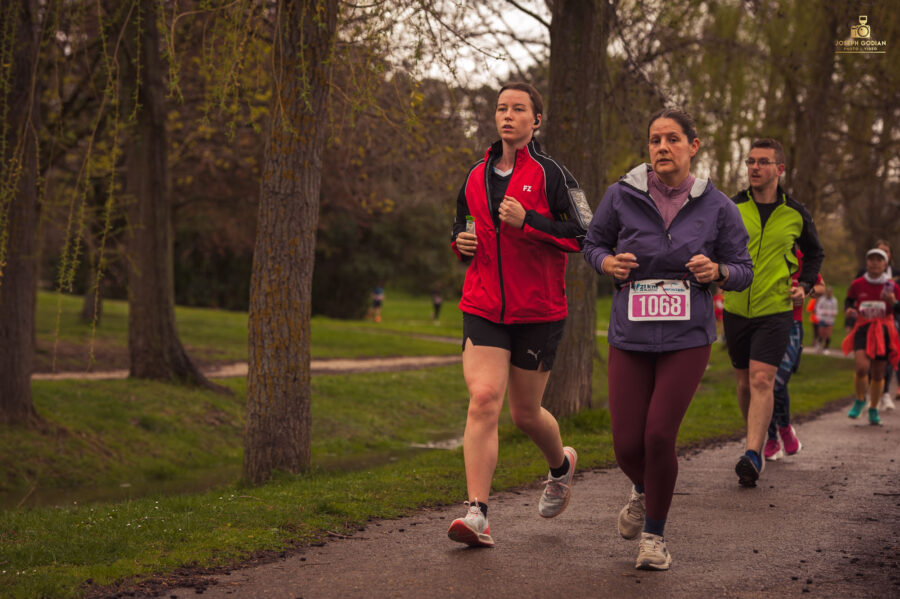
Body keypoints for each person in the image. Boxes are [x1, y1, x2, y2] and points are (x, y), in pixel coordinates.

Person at [583, 108, 753, 570]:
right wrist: (607, 264)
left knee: (659, 436)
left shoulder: (719, 206)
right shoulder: (620, 195)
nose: (662, 147)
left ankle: (654, 536)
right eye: (655, 139)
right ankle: (643, 488)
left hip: (687, 336)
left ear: (693, 146)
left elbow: (743, 270)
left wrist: (718, 270)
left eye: (673, 139)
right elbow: (592, 243)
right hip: (630, 333)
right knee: (625, 445)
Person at [446, 82, 590, 548]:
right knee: (484, 398)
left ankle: (560, 465)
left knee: (526, 414)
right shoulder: (474, 174)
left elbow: (585, 234)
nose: (508, 115)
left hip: (538, 311)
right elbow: (462, 225)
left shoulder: (554, 175)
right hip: (484, 304)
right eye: (502, 108)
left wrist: (529, 221)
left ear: (536, 121)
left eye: (519, 109)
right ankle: (477, 514)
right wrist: (460, 243)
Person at [722, 138, 824, 487]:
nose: (754, 167)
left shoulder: (796, 213)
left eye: (763, 162)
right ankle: (758, 435)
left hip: (776, 310)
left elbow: (815, 254)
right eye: (750, 161)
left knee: (762, 379)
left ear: (779, 169)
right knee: (743, 384)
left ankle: (752, 454)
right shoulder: (731, 207)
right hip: (735, 307)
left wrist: (805, 285)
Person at [763, 250, 825, 462]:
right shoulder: (767, 253)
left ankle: (785, 428)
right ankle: (772, 439)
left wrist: (804, 292)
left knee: (778, 383)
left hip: (792, 326)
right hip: (766, 324)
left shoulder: (801, 256)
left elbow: (821, 287)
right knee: (767, 384)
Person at [842, 248, 900, 425]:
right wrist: (849, 310)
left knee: (877, 372)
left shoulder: (892, 286)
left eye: (879, 260)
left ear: (885, 264)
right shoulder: (858, 284)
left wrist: (894, 302)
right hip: (863, 327)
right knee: (861, 367)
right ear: (866, 263)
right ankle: (860, 400)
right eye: (872, 259)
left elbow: (899, 309)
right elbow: (849, 300)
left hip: (884, 330)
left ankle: (873, 409)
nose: (875, 263)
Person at [815, 286, 839, 352]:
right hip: (822, 318)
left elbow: (836, 310)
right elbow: (818, 308)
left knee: (828, 334)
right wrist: (822, 313)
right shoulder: (822, 299)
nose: (829, 293)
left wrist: (832, 313)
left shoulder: (834, 300)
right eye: (828, 292)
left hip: (830, 319)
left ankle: (826, 348)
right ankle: (819, 344)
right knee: (821, 333)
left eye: (830, 292)